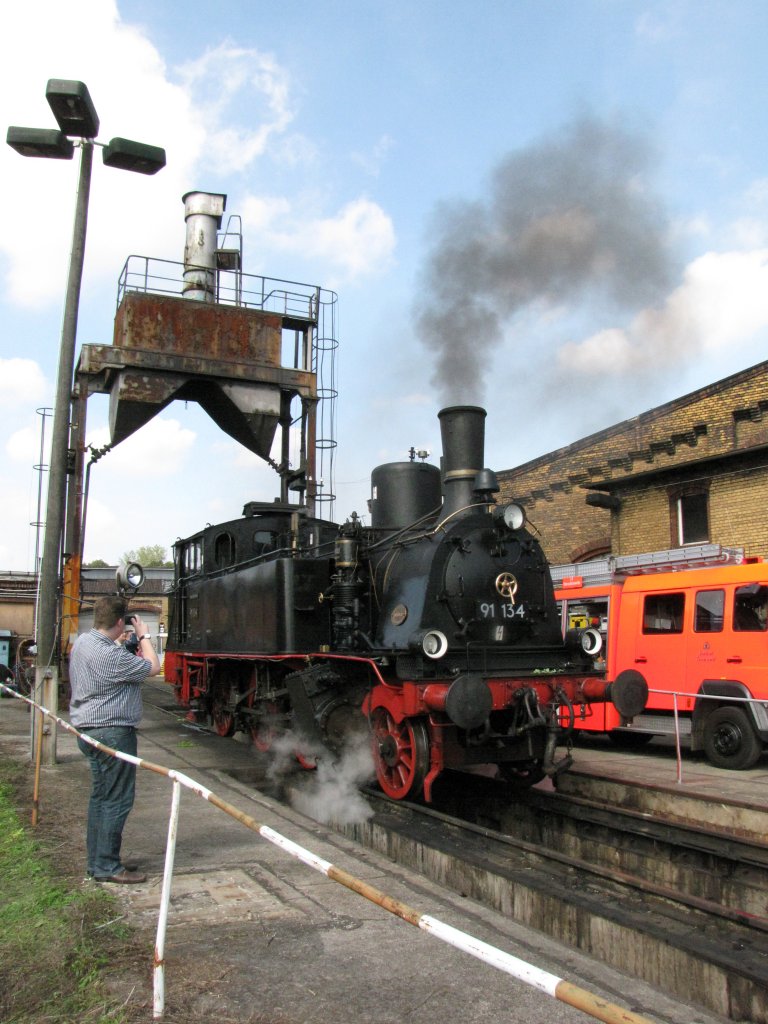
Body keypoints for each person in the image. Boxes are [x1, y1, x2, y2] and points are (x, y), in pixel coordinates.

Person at [69, 595, 161, 883]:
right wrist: (145, 636)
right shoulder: (111, 657)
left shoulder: (84, 642)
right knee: (117, 800)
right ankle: (107, 866)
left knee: (101, 798)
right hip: (112, 733)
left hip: (88, 729)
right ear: (121, 622)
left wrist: (129, 644)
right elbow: (154, 667)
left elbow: (119, 658)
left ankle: (98, 861)